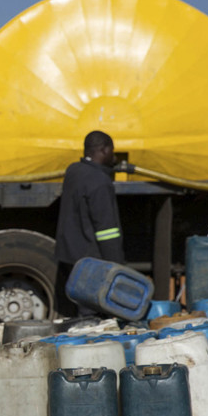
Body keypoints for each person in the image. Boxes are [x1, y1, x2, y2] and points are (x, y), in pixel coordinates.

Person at [53, 130, 125, 318]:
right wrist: (117, 266)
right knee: (93, 313)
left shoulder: (74, 171)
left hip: (70, 254)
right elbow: (106, 230)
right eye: (112, 151)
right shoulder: (99, 182)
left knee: (81, 305)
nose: (114, 156)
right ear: (104, 150)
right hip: (92, 259)